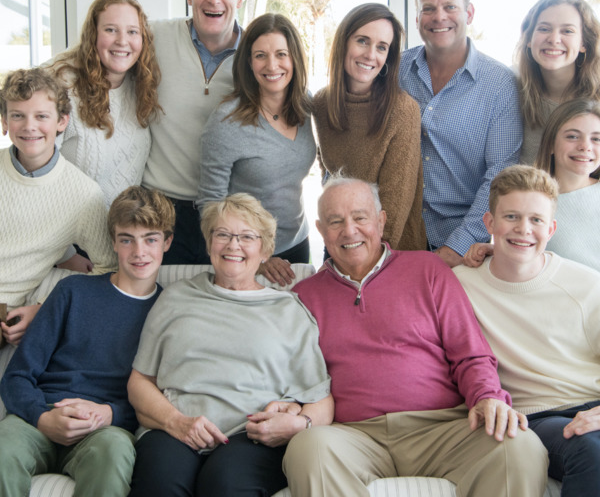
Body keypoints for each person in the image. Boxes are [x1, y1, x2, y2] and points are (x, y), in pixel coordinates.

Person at [283, 176, 547, 497]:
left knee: (519, 446)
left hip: (443, 429)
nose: (349, 231)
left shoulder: (428, 268)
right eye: (336, 221)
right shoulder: (304, 296)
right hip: (354, 435)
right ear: (321, 230)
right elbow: (294, 375)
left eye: (360, 217)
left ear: (381, 221)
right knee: (308, 449)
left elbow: (469, 353)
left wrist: (486, 397)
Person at [127, 193, 332, 497]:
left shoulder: (289, 310)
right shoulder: (176, 296)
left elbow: (321, 399)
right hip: (175, 428)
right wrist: (176, 422)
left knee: (226, 485)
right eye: (222, 234)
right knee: (160, 483)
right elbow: (140, 381)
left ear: (265, 250)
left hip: (250, 436)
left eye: (247, 237)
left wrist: (299, 423)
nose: (233, 245)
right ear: (209, 243)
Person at [0, 185, 174, 497]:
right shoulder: (72, 292)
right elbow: (16, 376)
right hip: (39, 416)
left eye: (150, 239)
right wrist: (43, 417)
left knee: (114, 454)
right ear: (113, 242)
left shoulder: (169, 312)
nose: (139, 252)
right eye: (127, 239)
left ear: (167, 242)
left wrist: (110, 413)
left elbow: (162, 396)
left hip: (105, 427)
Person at [454, 164, 600, 496]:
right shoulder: (460, 285)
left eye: (536, 220)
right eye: (511, 217)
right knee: (591, 451)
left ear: (551, 228)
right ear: (489, 223)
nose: (523, 229)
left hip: (594, 406)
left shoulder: (585, 284)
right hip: (535, 416)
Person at [399, 0, 522, 267]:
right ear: (417, 18)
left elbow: (500, 173)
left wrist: (458, 246)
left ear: (469, 13)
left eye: (450, 7)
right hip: (398, 234)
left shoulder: (500, 84)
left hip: (464, 245)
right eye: (428, 9)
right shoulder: (396, 70)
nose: (439, 17)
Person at [143, 0, 245, 265]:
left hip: (226, 212)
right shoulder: (153, 37)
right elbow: (92, 52)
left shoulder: (257, 55)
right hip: (160, 209)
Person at [0, 68, 115, 346]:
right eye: (17, 115)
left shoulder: (83, 195)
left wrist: (44, 308)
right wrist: (65, 254)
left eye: (41, 116)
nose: (29, 126)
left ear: (62, 121)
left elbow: (108, 267)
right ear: (4, 121)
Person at [197, 13, 315, 286]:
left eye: (281, 54)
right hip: (246, 253)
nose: (272, 65)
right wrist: (257, 258)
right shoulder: (226, 121)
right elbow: (210, 205)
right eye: (261, 55)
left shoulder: (306, 106)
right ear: (249, 62)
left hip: (298, 242)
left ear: (295, 59)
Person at [312, 3, 426, 251]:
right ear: (343, 43)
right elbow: (329, 176)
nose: (370, 55)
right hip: (341, 245)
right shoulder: (322, 103)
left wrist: (365, 262)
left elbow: (394, 208)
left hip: (389, 252)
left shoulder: (403, 110)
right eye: (362, 41)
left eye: (381, 47)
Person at [51, 0, 162, 209]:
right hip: (70, 225)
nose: (122, 41)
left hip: (122, 225)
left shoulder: (141, 85)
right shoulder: (63, 86)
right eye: (110, 30)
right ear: (93, 34)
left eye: (132, 31)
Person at [465, 99, 600, 272]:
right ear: (550, 144)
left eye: (596, 139)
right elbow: (531, 251)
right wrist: (497, 251)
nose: (585, 146)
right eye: (572, 136)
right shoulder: (526, 199)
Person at [516, 0, 600, 165]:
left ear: (584, 43)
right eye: (544, 29)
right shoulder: (511, 91)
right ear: (528, 39)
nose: (554, 39)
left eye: (567, 31)